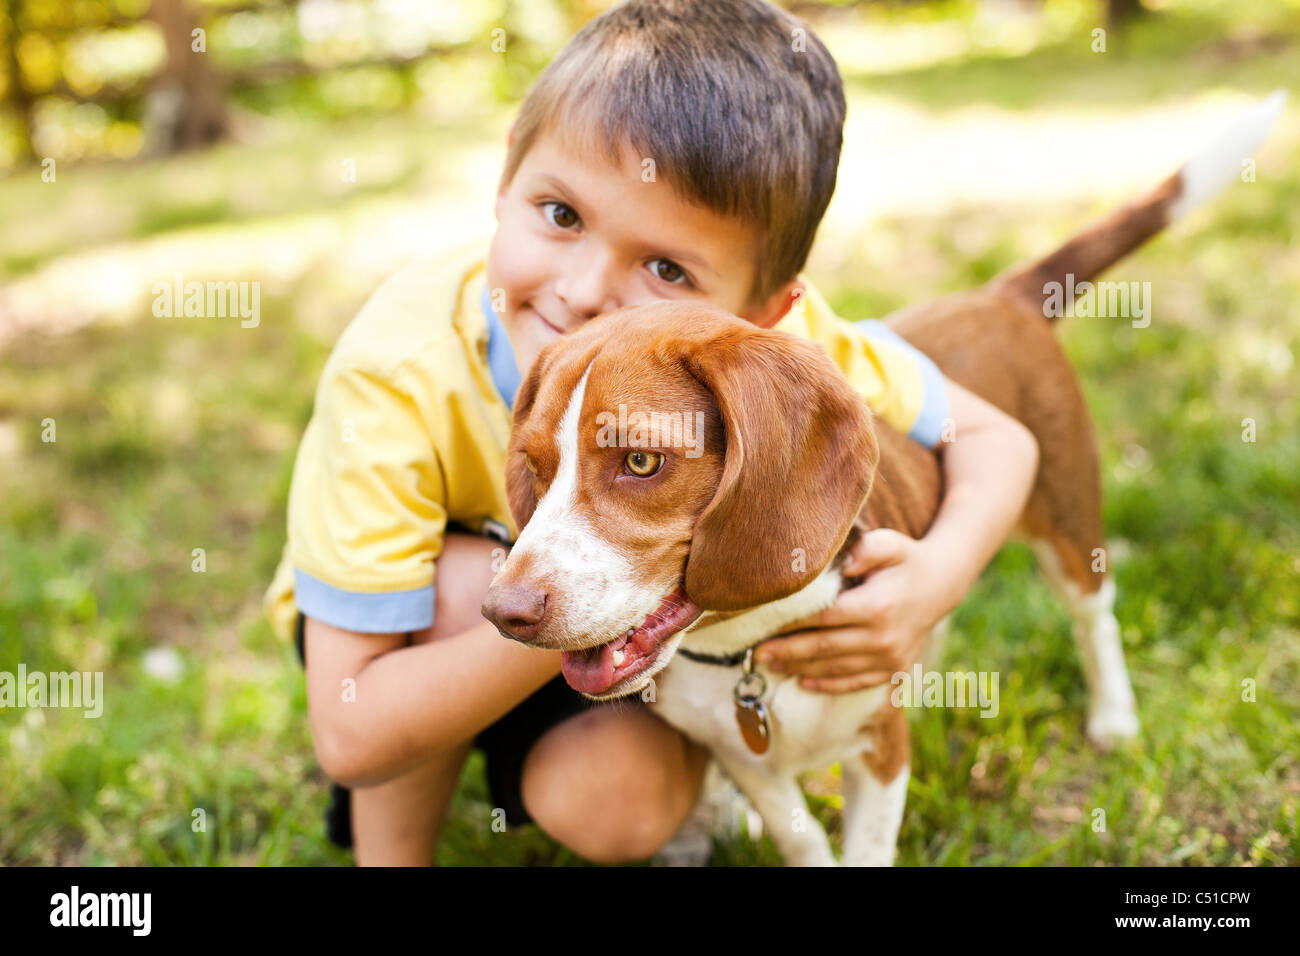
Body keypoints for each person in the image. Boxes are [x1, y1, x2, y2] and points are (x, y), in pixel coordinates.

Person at [263, 0, 1038, 865]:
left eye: (667, 268)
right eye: (559, 214)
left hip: (606, 624)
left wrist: (939, 575)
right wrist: (574, 597)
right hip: (409, 645)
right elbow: (350, 732)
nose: (586, 290)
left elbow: (1001, 441)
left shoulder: (758, 360)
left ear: (763, 312)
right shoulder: (396, 369)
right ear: (502, 188)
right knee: (458, 580)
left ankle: (637, 760)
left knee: (623, 810)